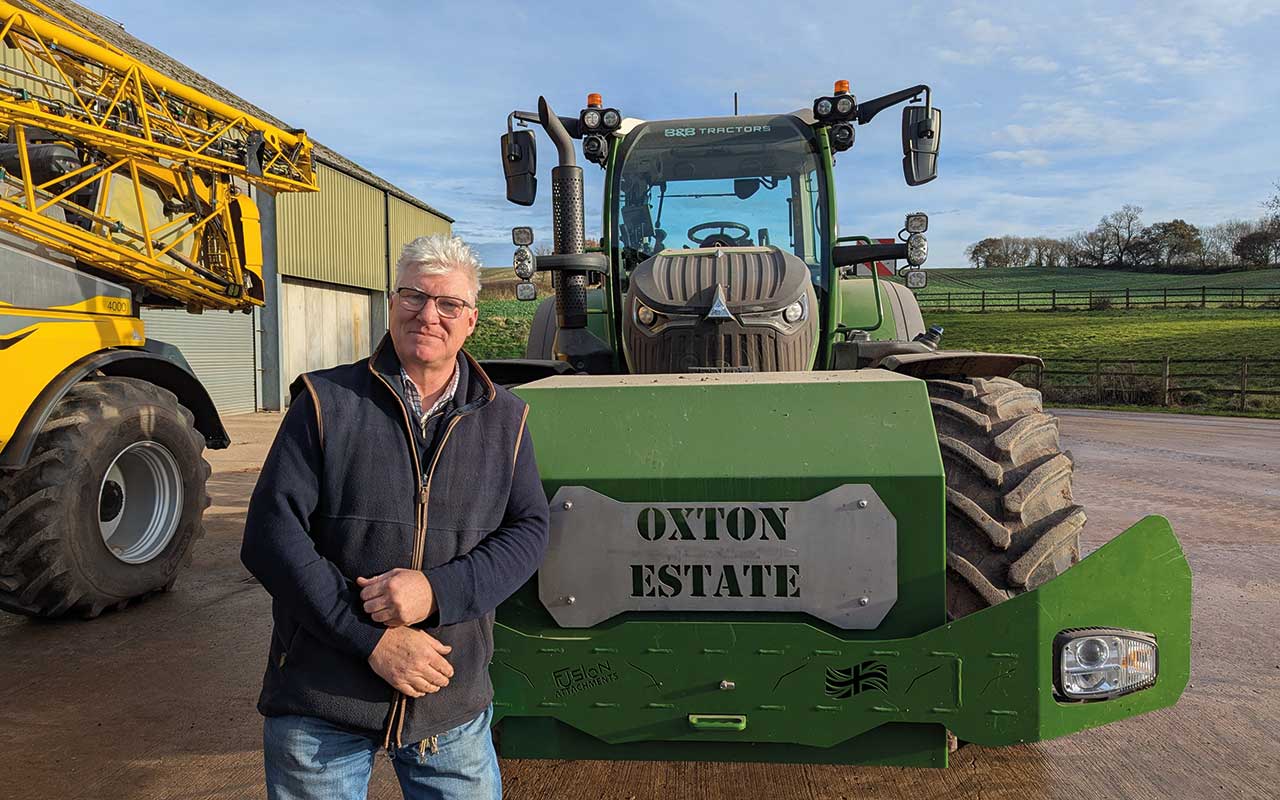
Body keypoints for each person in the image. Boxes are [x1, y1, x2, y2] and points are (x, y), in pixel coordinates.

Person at [241, 234, 550, 799]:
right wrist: (371, 640)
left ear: (471, 319)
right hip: (322, 701)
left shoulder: (507, 420)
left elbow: (528, 531)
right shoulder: (324, 401)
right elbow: (269, 537)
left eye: (448, 304)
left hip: (446, 705)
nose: (428, 315)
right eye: (414, 296)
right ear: (392, 302)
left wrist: (437, 591)